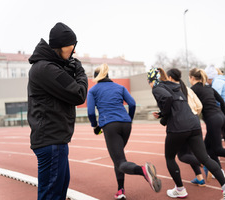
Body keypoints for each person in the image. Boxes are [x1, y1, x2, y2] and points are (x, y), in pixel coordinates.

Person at [147, 67, 225, 200]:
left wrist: (164, 118)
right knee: (205, 158)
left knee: (170, 158)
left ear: (152, 80)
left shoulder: (157, 87)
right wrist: (162, 114)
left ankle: (180, 190)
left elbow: (167, 99)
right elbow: (177, 104)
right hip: (194, 124)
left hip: (178, 126)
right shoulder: (177, 85)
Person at [28, 22, 88, 200]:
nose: (74, 52)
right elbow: (79, 94)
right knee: (52, 195)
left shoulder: (47, 66)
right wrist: (80, 71)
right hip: (51, 140)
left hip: (53, 139)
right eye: (72, 47)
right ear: (61, 46)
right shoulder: (46, 68)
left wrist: (68, 69)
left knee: (58, 192)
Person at [87, 64, 162, 200]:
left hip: (110, 125)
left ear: (96, 77)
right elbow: (132, 104)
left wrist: (95, 126)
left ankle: (143, 170)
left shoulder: (93, 90)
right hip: (126, 124)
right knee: (119, 159)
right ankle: (120, 190)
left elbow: (91, 112)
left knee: (120, 161)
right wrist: (129, 119)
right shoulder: (120, 87)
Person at [165, 68, 206, 186]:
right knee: (190, 153)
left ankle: (204, 163)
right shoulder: (187, 89)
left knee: (182, 156)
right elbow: (199, 105)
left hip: (180, 126)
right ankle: (199, 178)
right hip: (194, 124)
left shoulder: (171, 91)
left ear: (170, 78)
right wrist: (193, 115)